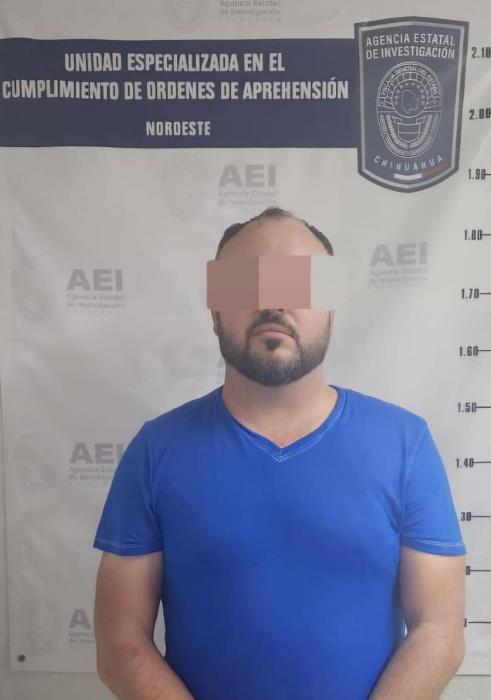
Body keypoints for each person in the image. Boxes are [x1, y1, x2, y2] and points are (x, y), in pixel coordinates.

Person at [93, 206, 467, 700]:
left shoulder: (406, 445)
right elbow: (119, 645)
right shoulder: (155, 451)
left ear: (330, 311)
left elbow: (440, 631)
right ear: (215, 312)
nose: (273, 301)